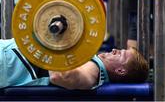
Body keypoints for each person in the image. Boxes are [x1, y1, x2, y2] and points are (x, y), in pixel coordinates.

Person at [0, 38, 149, 89]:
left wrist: (57, 41)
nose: (115, 50)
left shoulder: (93, 70)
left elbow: (61, 76)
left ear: (121, 71)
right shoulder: (88, 58)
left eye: (120, 54)